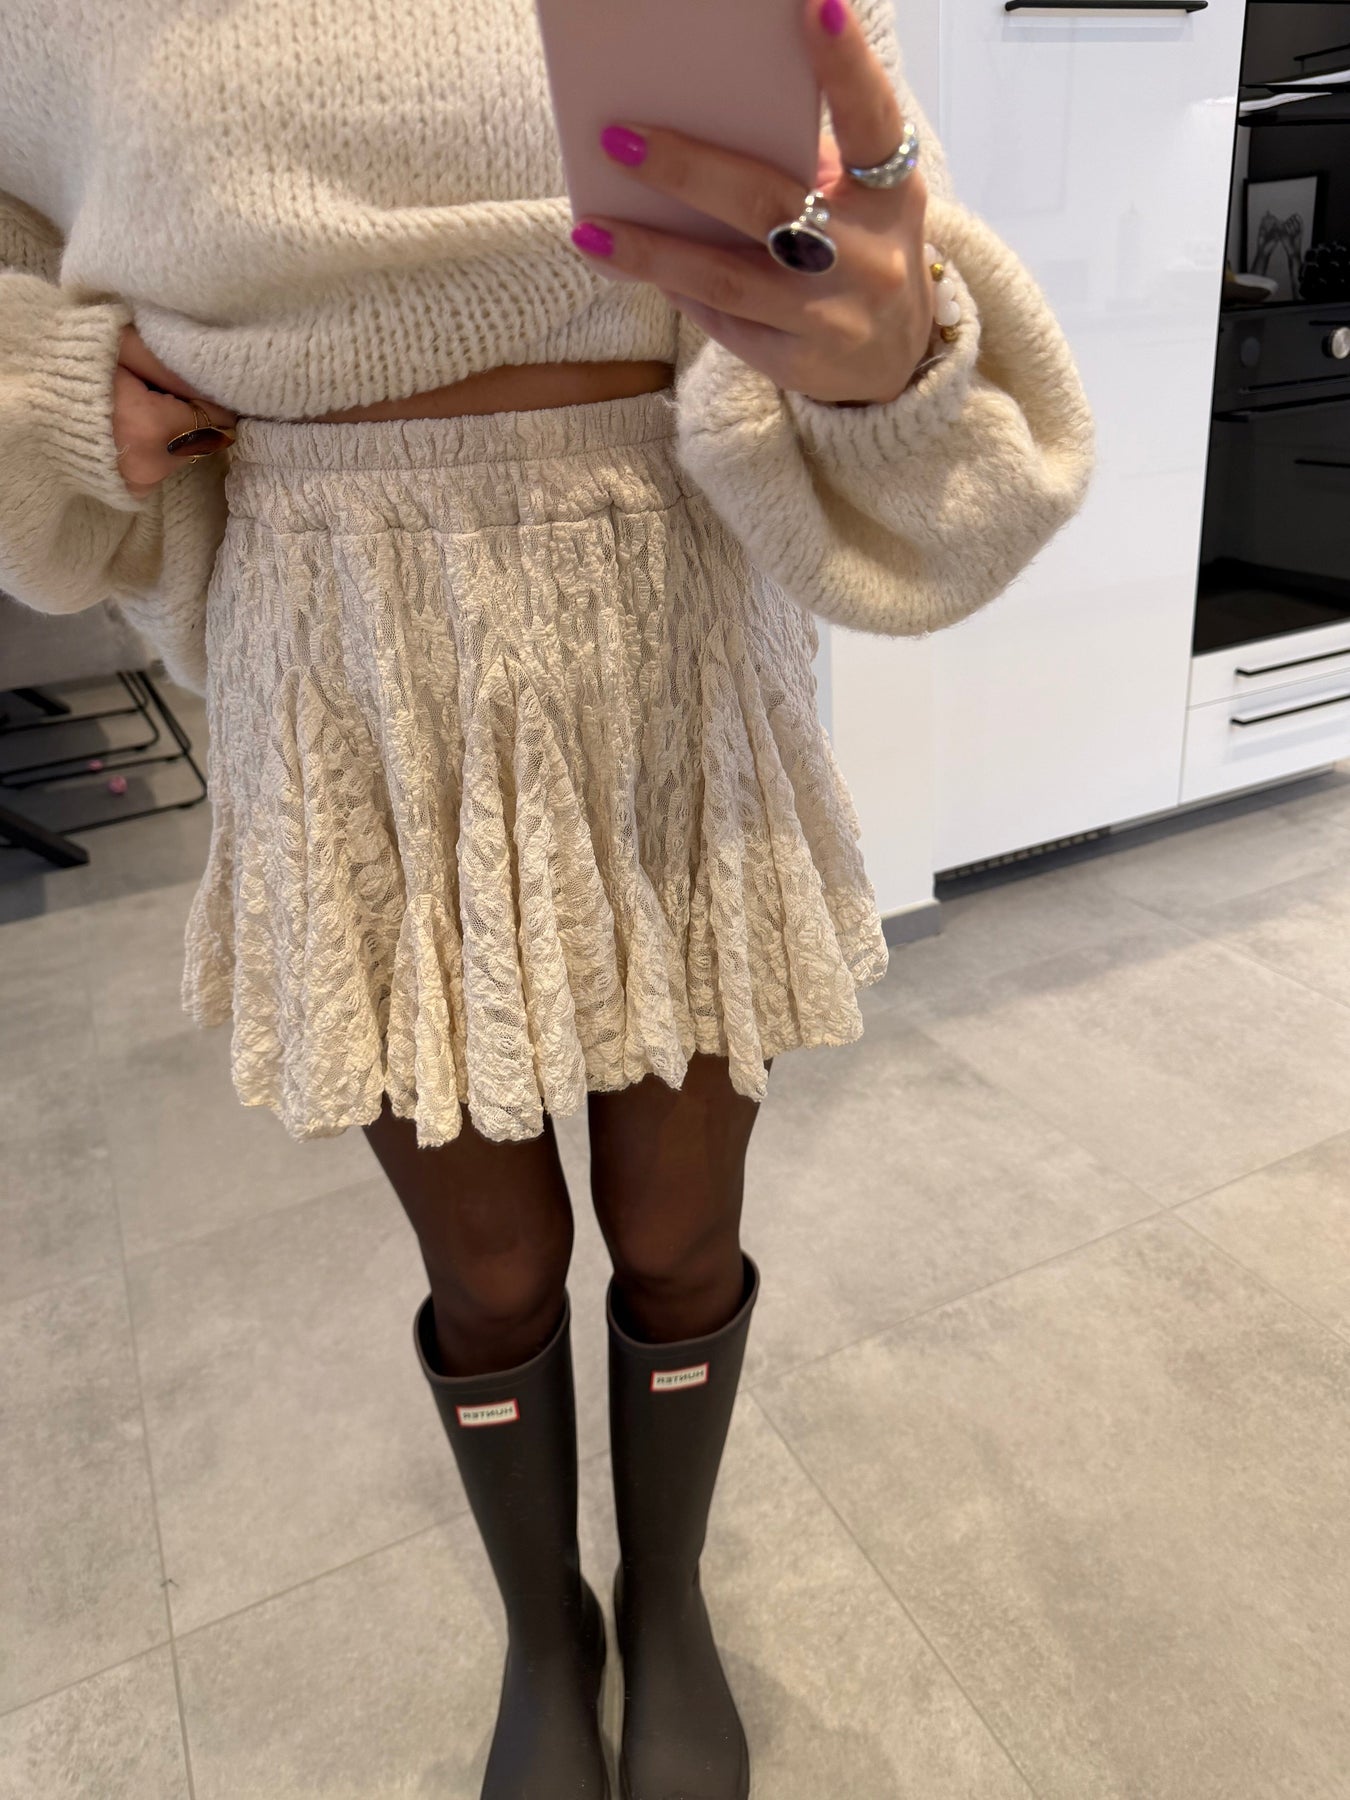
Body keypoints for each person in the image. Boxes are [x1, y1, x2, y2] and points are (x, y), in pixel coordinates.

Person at [0, 1, 1093, 1794]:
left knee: (674, 1233)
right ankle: (544, 1629)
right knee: (492, 1269)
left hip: (663, 614)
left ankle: (666, 1601)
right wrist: (41, 391)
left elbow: (862, 251)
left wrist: (884, 352)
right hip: (341, 650)